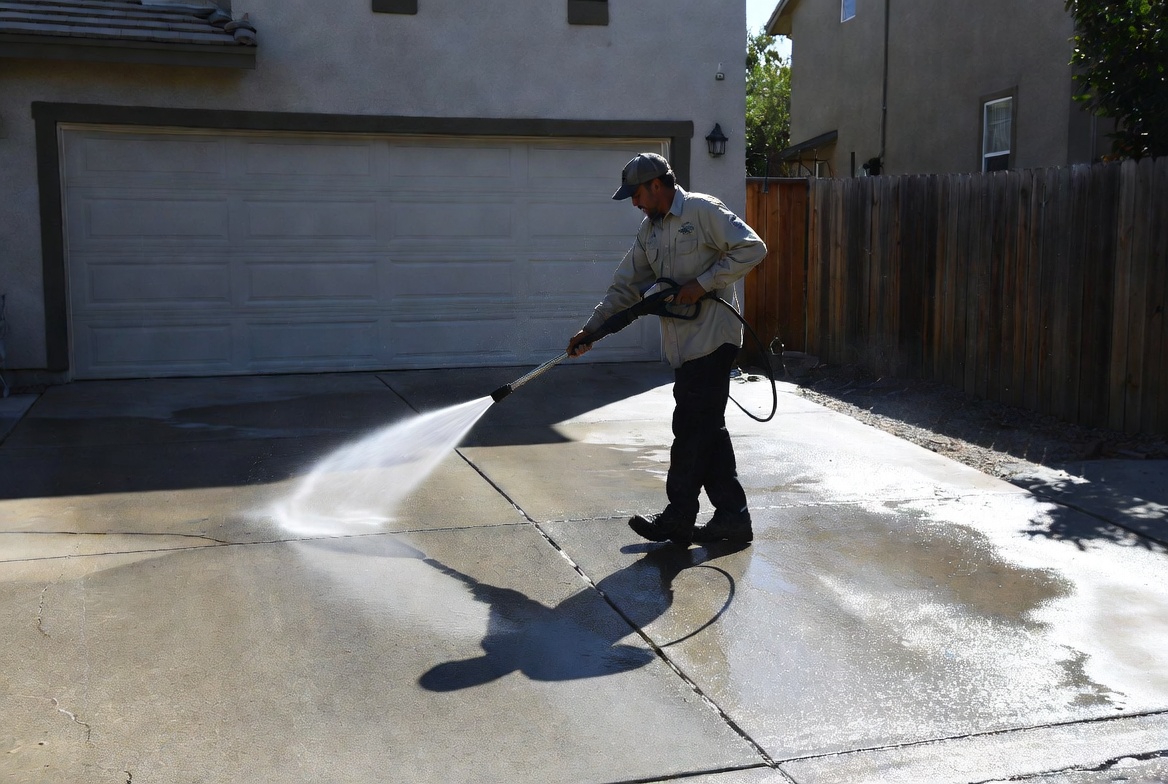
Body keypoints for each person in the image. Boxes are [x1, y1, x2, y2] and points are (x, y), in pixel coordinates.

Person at [566, 152, 767, 545]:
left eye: (637, 194)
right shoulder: (650, 232)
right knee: (707, 429)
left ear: (657, 185)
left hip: (713, 337)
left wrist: (703, 283)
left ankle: (678, 516)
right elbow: (626, 286)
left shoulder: (702, 211)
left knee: (691, 428)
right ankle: (732, 518)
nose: (635, 203)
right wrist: (591, 329)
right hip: (683, 346)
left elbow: (752, 247)